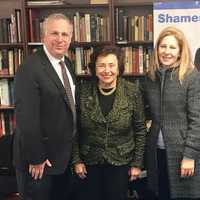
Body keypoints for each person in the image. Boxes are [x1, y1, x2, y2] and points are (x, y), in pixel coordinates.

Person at [13, 13, 76, 200]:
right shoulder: (29, 68)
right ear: (43, 37)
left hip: (62, 158)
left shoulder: (67, 64)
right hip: (39, 163)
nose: (60, 39)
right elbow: (26, 119)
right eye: (54, 33)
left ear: (71, 38)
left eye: (65, 34)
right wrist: (36, 157)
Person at [71, 45, 147, 200]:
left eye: (111, 65)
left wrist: (137, 164)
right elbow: (74, 129)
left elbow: (140, 129)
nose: (107, 70)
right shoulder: (82, 91)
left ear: (119, 68)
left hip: (121, 162)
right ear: (94, 68)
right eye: (101, 65)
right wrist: (76, 160)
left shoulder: (132, 91)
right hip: (89, 162)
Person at [143, 26, 200, 200]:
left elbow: (197, 120)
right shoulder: (150, 77)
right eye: (163, 46)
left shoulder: (191, 76)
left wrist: (189, 155)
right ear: (157, 48)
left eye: (172, 47)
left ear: (180, 51)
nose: (167, 51)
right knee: (160, 193)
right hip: (156, 152)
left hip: (182, 153)